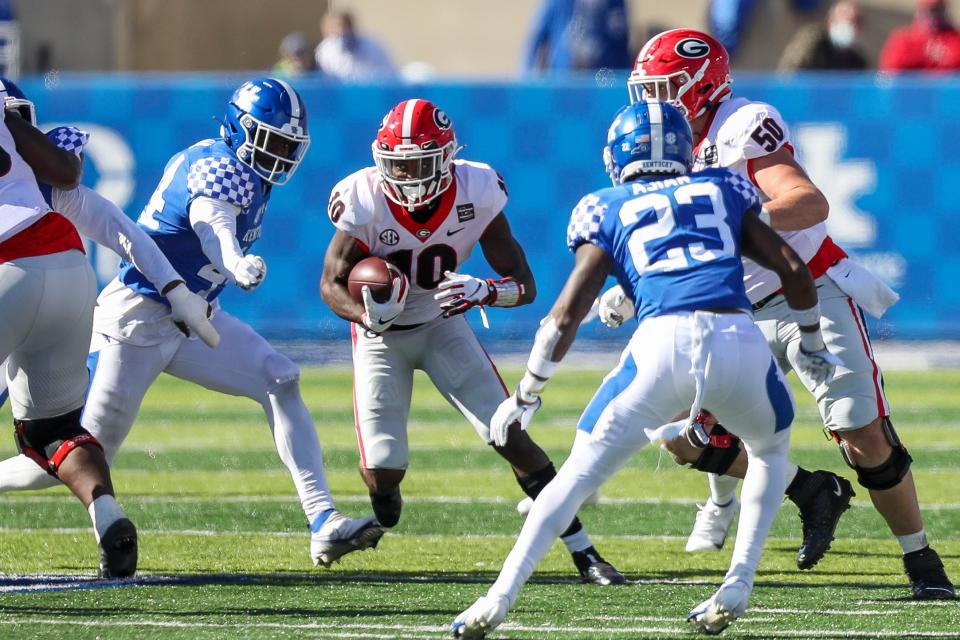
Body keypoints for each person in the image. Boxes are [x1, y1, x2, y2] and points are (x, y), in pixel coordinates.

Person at [452, 98, 836, 638]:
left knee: (574, 477)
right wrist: (814, 341)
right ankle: (740, 581)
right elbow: (793, 268)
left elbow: (566, 313)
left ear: (617, 156)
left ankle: (497, 599)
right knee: (770, 450)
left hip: (664, 345)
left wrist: (528, 391)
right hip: (738, 338)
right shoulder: (723, 189)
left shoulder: (605, 206)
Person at [614, 28, 954, 599]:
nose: (654, 104)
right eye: (647, 91)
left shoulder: (742, 123)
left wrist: (731, 222)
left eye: (667, 89)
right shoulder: (654, 141)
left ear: (705, 86)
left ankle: (921, 560)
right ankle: (810, 491)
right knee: (676, 434)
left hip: (806, 290)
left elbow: (807, 202)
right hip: (726, 309)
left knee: (862, 436)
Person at [0, 77, 385, 568]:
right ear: (238, 128)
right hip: (136, 320)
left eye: (288, 146)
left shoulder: (246, 172)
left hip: (193, 316)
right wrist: (234, 262)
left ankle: (322, 521)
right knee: (68, 457)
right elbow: (212, 223)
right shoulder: (216, 166)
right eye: (271, 142)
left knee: (280, 377)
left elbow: (132, 225)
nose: (280, 155)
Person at [319, 98, 624, 586]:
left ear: (446, 158)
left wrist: (485, 290)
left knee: (512, 438)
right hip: (381, 338)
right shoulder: (362, 196)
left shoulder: (477, 188)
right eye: (397, 164)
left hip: (442, 323)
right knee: (382, 471)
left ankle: (586, 554)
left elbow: (524, 284)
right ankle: (385, 503)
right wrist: (366, 314)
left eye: (420, 164)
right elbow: (331, 282)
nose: (408, 176)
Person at [0, 80, 140, 578]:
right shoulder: (13, 122)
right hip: (66, 265)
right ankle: (107, 517)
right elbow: (66, 171)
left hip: (6, 266)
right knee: (52, 431)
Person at [521, 0, 631, 74]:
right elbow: (537, 35)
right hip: (564, 75)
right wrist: (526, 74)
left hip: (602, 77)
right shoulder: (557, 3)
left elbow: (621, 42)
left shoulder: (615, 3)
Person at [779, 0, 868, 71]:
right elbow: (790, 72)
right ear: (830, 21)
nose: (849, 25)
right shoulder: (812, 42)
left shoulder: (856, 61)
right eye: (845, 20)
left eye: (854, 22)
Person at [879, 0, 960, 72]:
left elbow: (956, 61)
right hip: (910, 88)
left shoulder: (955, 39)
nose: (933, 15)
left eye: (938, 10)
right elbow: (892, 70)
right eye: (929, 10)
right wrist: (929, 56)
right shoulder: (903, 39)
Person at [314, 11, 395, 81]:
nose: (338, 31)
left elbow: (388, 73)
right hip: (339, 95)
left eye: (342, 26)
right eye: (332, 27)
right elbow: (325, 79)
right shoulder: (324, 50)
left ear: (351, 26)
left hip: (371, 92)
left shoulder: (372, 44)